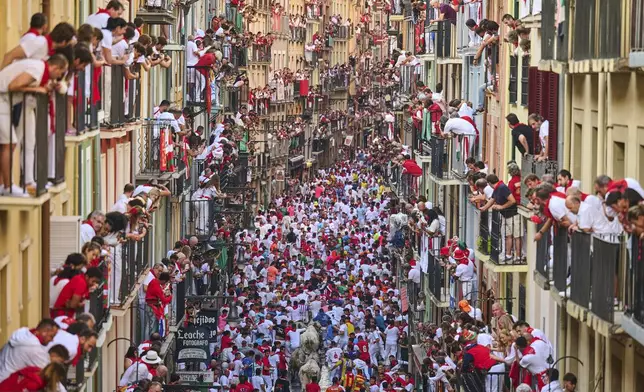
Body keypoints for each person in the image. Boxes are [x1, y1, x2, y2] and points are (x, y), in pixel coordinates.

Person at [0, 54, 69, 196]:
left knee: (8, 144)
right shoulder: (37, 68)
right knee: (9, 144)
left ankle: (4, 185)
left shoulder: (38, 68)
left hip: (5, 103)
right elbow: (13, 85)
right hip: (2, 101)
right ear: (55, 67)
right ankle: (7, 187)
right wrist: (37, 90)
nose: (59, 76)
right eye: (60, 73)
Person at [0, 319, 60, 383]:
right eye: (51, 336)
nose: (52, 340)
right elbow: (49, 374)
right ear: (44, 332)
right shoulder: (35, 349)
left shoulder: (20, 335)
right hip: (7, 385)